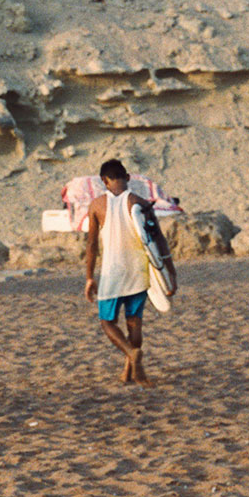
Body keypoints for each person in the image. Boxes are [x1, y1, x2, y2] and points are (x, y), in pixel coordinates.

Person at [81, 157, 153, 385]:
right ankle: (131, 367)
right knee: (134, 321)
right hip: (139, 271)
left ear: (104, 180)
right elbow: (156, 239)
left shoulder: (97, 205)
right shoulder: (140, 202)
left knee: (107, 322)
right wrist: (168, 274)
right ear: (128, 178)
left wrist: (89, 278)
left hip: (113, 272)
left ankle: (130, 354)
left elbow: (91, 244)